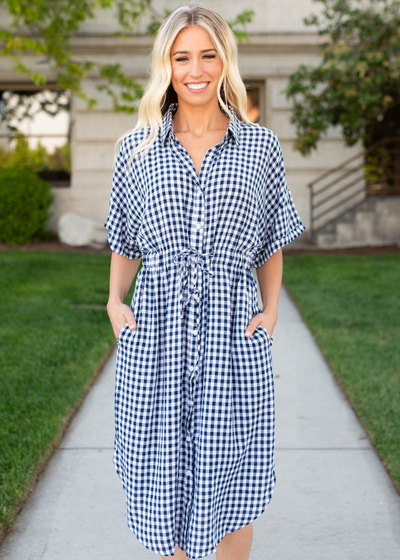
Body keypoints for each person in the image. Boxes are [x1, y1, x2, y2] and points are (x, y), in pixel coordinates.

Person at [104, 2, 306, 559]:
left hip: (232, 334)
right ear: (166, 65)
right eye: (182, 56)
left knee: (232, 473)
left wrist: (269, 314)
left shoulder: (260, 146)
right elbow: (124, 238)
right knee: (161, 471)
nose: (196, 69)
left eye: (208, 55)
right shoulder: (136, 149)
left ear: (226, 61)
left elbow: (271, 242)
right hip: (157, 333)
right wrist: (115, 303)